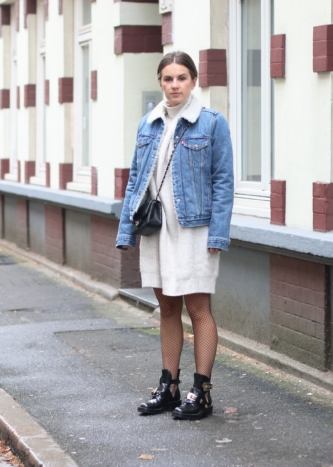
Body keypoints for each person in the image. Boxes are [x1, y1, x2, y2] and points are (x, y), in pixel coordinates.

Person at [115, 51, 234, 420]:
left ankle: (202, 391)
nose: (174, 85)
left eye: (182, 77)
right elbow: (136, 180)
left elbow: (223, 182)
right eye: (168, 78)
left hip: (195, 230)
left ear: (194, 81)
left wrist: (218, 234)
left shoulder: (211, 123)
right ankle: (169, 386)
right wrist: (126, 230)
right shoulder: (147, 124)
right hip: (156, 230)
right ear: (160, 82)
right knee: (167, 307)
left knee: (198, 309)